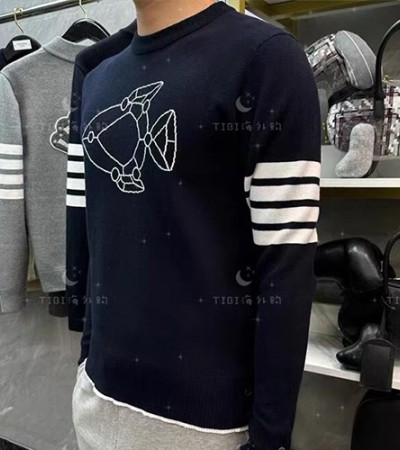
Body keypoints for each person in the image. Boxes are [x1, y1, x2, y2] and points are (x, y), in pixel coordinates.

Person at [69, 1, 321, 449]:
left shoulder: (266, 57)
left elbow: (286, 265)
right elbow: (99, 237)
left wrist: (270, 440)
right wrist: (88, 359)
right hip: (95, 404)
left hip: (203, 428)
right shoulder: (96, 75)